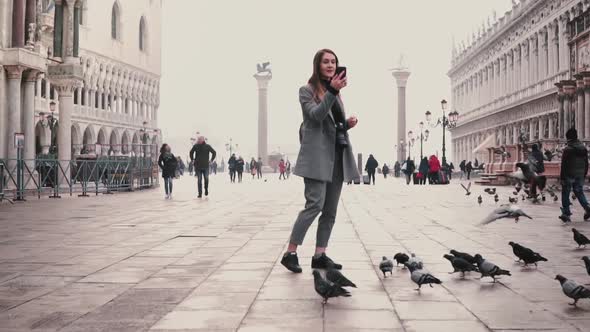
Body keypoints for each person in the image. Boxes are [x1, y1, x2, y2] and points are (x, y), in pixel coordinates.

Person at [281, 48, 360, 274]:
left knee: (330, 210)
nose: (330, 65)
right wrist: (332, 92)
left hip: (337, 155)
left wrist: (346, 122)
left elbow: (331, 123)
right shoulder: (306, 91)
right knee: (314, 204)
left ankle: (320, 255)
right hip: (317, 157)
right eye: (326, 62)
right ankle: (291, 252)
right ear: (317, 65)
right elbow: (315, 116)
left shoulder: (335, 93)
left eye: (333, 62)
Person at [559, 128, 590, 223]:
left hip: (569, 174)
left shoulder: (568, 149)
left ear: (568, 138)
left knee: (565, 192)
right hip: (580, 173)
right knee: (579, 192)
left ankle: (566, 213)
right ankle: (588, 208)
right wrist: (584, 173)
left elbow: (564, 165)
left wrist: (562, 177)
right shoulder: (583, 148)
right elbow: (586, 162)